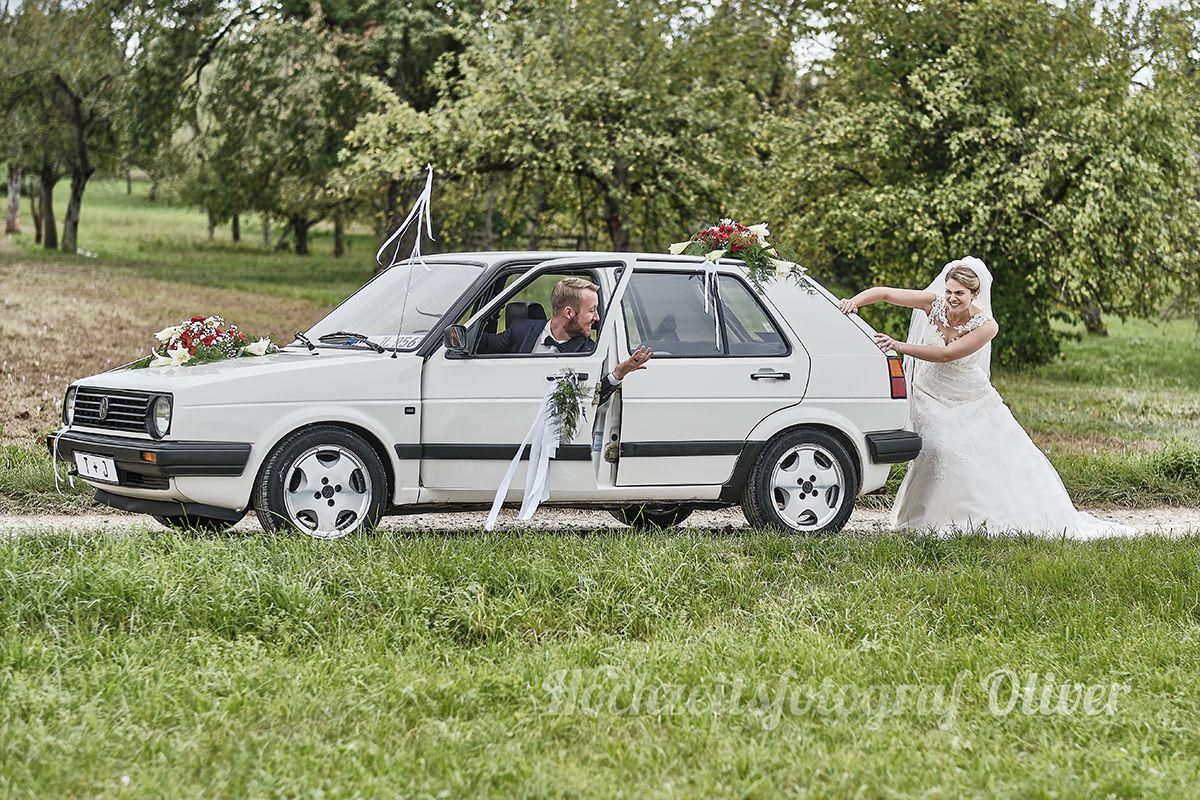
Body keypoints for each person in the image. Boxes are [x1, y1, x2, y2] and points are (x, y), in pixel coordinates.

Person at [840, 257, 1131, 537]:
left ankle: (972, 517)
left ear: (974, 294)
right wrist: (854, 302)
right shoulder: (934, 304)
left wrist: (898, 345)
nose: (952, 298)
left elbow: (947, 354)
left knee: (970, 451)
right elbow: (886, 293)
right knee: (935, 449)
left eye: (960, 294)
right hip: (928, 393)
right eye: (949, 291)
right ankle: (925, 517)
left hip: (969, 397)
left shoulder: (987, 325)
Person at [479, 276, 652, 403]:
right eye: (592, 310)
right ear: (569, 313)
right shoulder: (520, 331)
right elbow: (480, 345)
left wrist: (618, 374)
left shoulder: (589, 350)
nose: (597, 318)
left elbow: (593, 398)